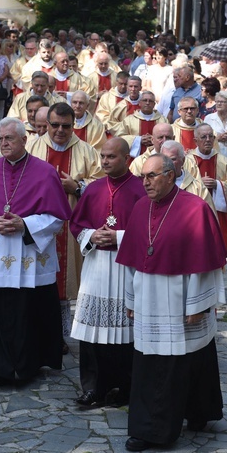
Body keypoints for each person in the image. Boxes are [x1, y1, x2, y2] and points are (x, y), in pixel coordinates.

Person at [116, 154, 226, 452]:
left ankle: (190, 416)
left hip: (181, 299)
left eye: (152, 176)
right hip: (149, 299)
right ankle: (150, 429)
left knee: (189, 357)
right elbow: (130, 262)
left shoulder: (195, 208)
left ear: (170, 175)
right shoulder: (140, 207)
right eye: (142, 177)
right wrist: (131, 300)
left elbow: (204, 263)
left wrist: (198, 306)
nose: (146, 182)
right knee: (153, 364)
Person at [0, 117, 71, 390]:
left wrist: (26, 224)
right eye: (0, 138)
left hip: (30, 255)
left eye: (9, 138)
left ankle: (28, 366)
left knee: (29, 311)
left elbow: (57, 217)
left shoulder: (45, 173)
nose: (3, 143)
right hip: (0, 251)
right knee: (0, 311)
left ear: (25, 140)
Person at [69, 137, 145, 407]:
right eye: (103, 156)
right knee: (92, 333)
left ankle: (125, 387)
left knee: (126, 334)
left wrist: (119, 237)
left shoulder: (139, 189)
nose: (104, 162)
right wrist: (92, 235)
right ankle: (93, 389)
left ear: (127, 159)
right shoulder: (93, 189)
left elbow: (149, 229)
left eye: (111, 157)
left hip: (125, 269)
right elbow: (77, 224)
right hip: (96, 269)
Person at [25, 102, 104, 335]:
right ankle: (37, 331)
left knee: (67, 279)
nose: (60, 130)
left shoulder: (87, 151)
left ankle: (60, 332)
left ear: (74, 126)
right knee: (36, 277)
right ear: (47, 124)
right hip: (37, 223)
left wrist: (77, 186)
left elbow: (101, 185)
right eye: (55, 125)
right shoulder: (32, 148)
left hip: (71, 224)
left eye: (66, 126)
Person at [192, 124, 227, 248]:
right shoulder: (187, 162)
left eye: (210, 136)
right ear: (195, 141)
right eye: (203, 137)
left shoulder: (224, 161)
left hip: (219, 213)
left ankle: (219, 267)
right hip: (194, 214)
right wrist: (198, 183)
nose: (208, 140)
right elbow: (181, 186)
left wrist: (218, 185)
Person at [204, 90, 227, 168]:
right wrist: (218, 138)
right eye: (217, 101)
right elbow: (203, 138)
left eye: (222, 102)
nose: (219, 104)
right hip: (214, 157)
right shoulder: (209, 118)